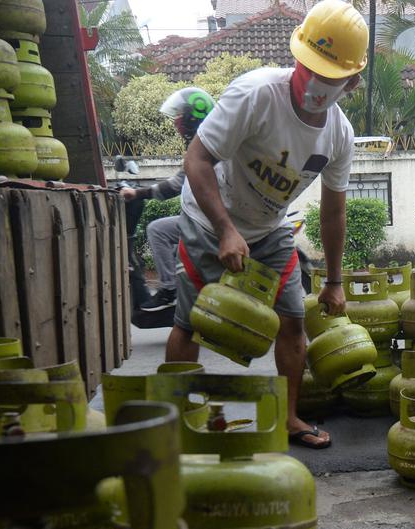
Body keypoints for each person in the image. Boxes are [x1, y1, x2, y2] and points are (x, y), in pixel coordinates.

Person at [165, 0, 367, 449]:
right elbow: (196, 160)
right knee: (191, 321)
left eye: (328, 76)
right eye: (308, 68)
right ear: (296, 58)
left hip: (271, 228)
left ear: (351, 82)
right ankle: (175, 421)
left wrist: (335, 282)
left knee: (293, 320)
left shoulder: (340, 134)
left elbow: (333, 210)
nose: (313, 82)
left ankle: (288, 418)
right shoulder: (255, 94)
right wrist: (224, 229)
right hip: (208, 216)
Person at [121, 87, 216, 312]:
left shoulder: (205, 149)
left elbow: (174, 186)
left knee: (157, 230)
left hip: (208, 221)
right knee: (174, 249)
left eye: (179, 116)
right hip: (208, 218)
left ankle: (169, 290)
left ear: (192, 119)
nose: (175, 122)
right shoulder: (209, 144)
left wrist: (137, 193)